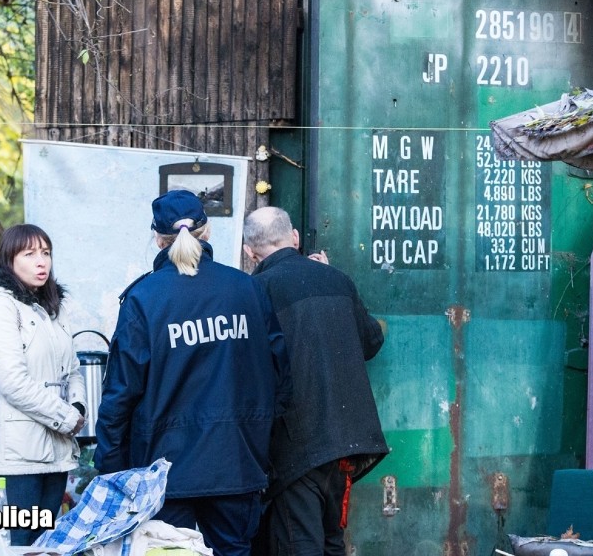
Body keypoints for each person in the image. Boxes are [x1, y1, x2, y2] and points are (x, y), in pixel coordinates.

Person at [95, 190, 291, 556]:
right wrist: (260, 441)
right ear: (208, 232)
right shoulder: (246, 289)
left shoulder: (143, 298)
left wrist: (110, 466)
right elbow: (280, 376)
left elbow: (120, 393)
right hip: (237, 462)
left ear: (158, 238)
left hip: (165, 472)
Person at [242, 206, 389, 556]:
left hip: (296, 446)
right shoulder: (336, 279)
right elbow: (371, 342)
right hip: (344, 445)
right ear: (293, 237)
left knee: (299, 545)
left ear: (250, 253)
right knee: (331, 542)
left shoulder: (254, 290)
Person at [0, 223, 86, 546]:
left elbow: (73, 369)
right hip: (14, 457)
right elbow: (13, 382)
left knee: (46, 547)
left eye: (46, 253)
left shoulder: (52, 307)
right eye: (30, 253)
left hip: (56, 452)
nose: (42, 262)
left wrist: (78, 406)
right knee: (12, 547)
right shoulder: (0, 306)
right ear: (10, 260)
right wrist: (66, 417)